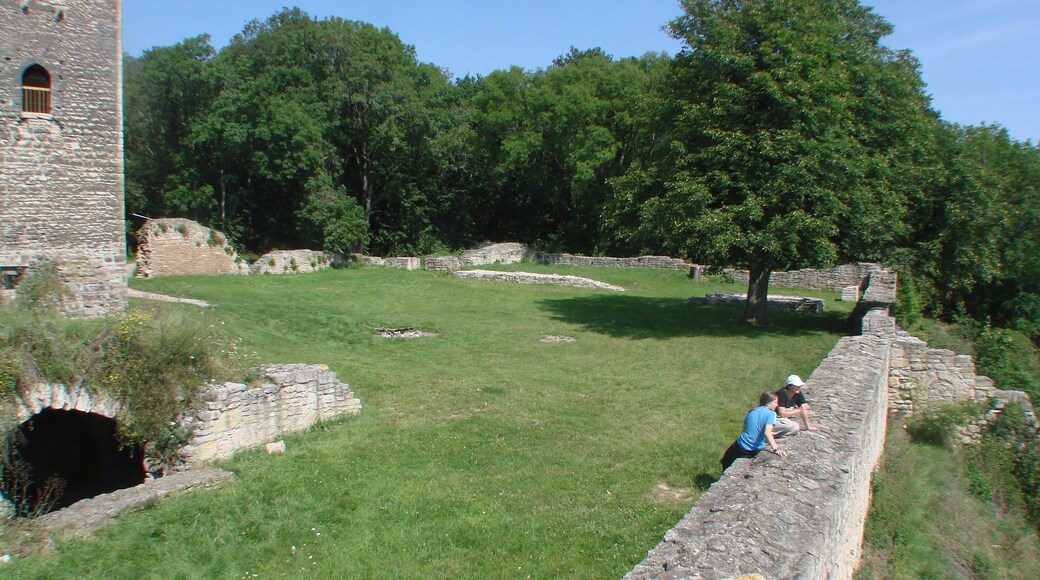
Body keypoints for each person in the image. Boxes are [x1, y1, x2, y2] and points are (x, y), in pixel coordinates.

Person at [721, 391, 788, 471]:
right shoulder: (771, 414)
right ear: (767, 403)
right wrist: (776, 449)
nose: (777, 405)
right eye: (774, 402)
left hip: (742, 444)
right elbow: (767, 432)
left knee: (726, 460)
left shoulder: (752, 411)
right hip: (756, 448)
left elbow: (745, 427)